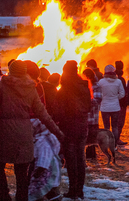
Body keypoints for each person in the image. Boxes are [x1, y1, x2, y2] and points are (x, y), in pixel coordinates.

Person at [0, 60, 64, 201]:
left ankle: (4, 196)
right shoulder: (31, 88)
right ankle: (21, 198)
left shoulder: (2, 86)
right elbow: (43, 114)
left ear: (10, 70)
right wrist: (57, 131)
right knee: (21, 173)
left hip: (3, 133)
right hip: (24, 136)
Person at [54, 60, 92, 200]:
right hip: (82, 126)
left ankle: (73, 190)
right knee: (80, 157)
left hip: (69, 127)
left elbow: (59, 110)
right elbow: (89, 105)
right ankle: (79, 190)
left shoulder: (65, 88)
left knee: (71, 160)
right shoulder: (84, 85)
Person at [28, 119, 63, 201]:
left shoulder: (42, 141)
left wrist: (40, 170)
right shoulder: (49, 137)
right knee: (51, 189)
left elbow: (45, 157)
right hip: (52, 169)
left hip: (46, 172)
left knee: (43, 189)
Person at [98, 64, 125, 145]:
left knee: (106, 127)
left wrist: (104, 98)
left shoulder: (101, 82)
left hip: (105, 107)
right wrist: (116, 98)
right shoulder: (118, 81)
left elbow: (99, 94)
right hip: (115, 107)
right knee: (115, 127)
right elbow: (122, 94)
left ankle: (107, 143)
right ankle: (115, 144)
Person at [82, 68, 102, 159]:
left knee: (92, 137)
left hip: (92, 117)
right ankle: (85, 155)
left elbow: (97, 100)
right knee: (84, 137)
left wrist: (85, 100)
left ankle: (92, 155)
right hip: (85, 117)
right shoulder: (83, 86)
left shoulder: (96, 86)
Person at [115, 60, 128, 145]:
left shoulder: (112, 78)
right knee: (119, 122)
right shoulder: (121, 79)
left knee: (114, 122)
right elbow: (123, 93)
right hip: (120, 104)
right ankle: (117, 139)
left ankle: (114, 139)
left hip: (113, 103)